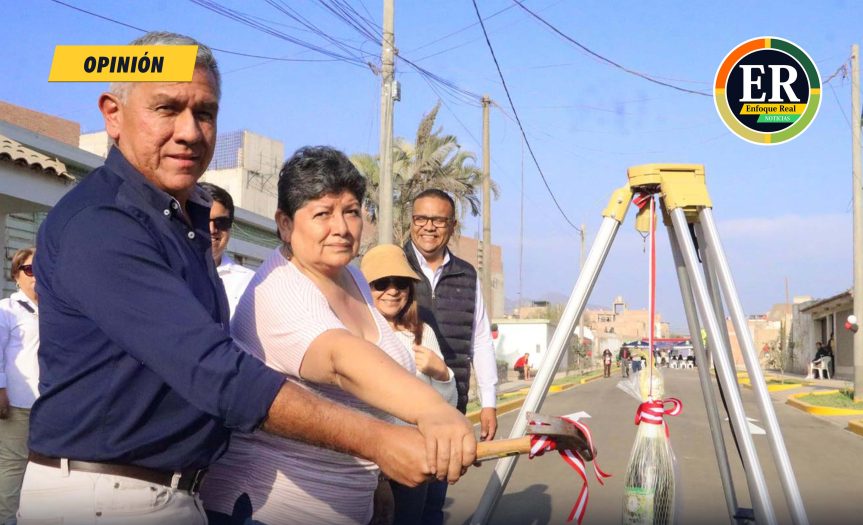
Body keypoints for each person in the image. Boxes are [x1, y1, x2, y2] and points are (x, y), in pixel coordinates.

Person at [21, 32, 474, 525]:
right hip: (108, 497)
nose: (190, 131)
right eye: (167, 108)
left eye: (206, 113)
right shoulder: (102, 224)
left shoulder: (183, 220)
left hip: (169, 491)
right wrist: (382, 440)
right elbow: (217, 372)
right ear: (112, 113)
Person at [201, 147, 472, 525]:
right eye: (322, 214)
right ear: (284, 223)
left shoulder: (354, 278)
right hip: (270, 510)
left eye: (351, 211)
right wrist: (433, 410)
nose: (342, 228)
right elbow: (341, 361)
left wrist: (373, 477)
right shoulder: (277, 288)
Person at [403, 189, 499, 525]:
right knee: (403, 506)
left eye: (438, 220)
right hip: (402, 409)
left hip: (450, 408)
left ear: (452, 226)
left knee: (433, 505)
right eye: (421, 218)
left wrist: (489, 402)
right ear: (411, 221)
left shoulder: (467, 275)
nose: (428, 227)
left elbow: (481, 338)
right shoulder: (393, 269)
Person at [361, 244, 457, 525]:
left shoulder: (421, 334)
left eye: (400, 283)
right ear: (364, 287)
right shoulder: (352, 335)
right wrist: (375, 473)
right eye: (381, 283)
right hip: (367, 464)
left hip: (414, 458)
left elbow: (444, 408)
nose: (392, 291)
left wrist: (442, 374)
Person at [0, 248, 40, 523]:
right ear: (16, 275)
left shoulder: (55, 310)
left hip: (48, 404)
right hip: (18, 404)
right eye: (29, 270)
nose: (36, 275)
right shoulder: (6, 310)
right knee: (12, 469)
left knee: (41, 471)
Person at [199, 182, 255, 318]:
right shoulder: (170, 274)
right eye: (203, 220)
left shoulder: (250, 283)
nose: (212, 230)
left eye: (221, 222)